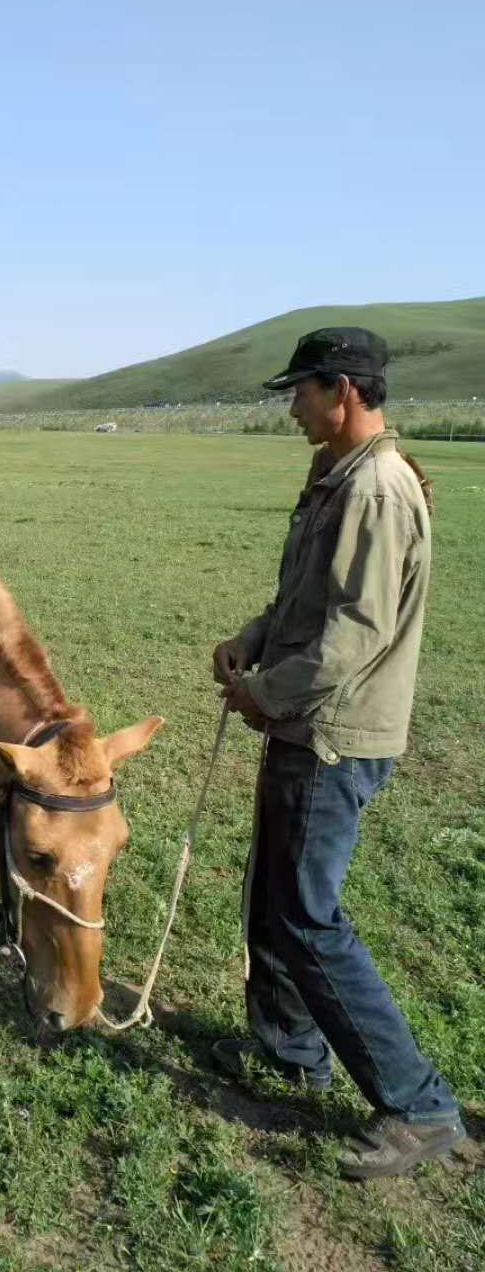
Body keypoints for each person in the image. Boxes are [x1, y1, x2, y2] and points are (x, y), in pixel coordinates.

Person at [211, 326, 466, 1180]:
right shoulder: (341, 478)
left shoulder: (378, 489)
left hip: (332, 734)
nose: (292, 408)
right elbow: (309, 603)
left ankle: (418, 1106)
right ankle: (290, 1055)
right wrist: (253, 640)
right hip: (309, 722)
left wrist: (266, 693)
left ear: (344, 390)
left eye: (302, 392)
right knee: (277, 899)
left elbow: (355, 634)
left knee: (309, 920)